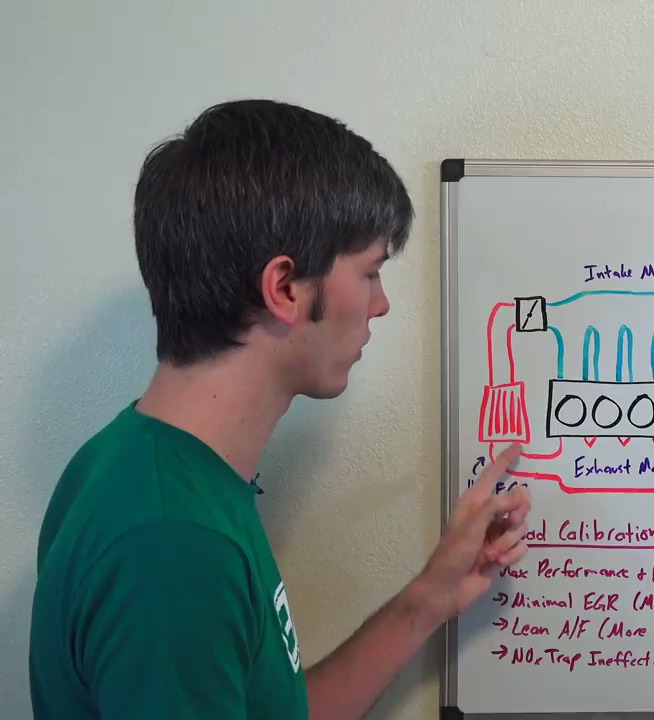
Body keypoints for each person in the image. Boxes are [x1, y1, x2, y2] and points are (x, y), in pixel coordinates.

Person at [27, 99, 532, 719]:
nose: (381, 305)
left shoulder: (136, 464)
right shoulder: (172, 546)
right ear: (285, 289)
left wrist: (430, 598)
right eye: (370, 273)